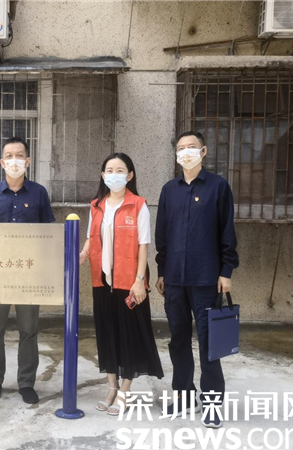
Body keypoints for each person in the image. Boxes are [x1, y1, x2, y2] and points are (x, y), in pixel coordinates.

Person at [155, 130, 239, 429]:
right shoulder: (169, 189)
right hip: (174, 280)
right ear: (176, 154)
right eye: (181, 148)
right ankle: (184, 396)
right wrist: (161, 271)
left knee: (208, 342)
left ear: (203, 152)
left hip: (206, 279)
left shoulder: (218, 186)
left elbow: (227, 231)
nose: (186, 152)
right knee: (178, 340)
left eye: (192, 147)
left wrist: (226, 271)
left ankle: (212, 403)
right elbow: (162, 234)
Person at [79, 153, 164, 415]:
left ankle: (125, 391)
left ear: (129, 175)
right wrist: (82, 254)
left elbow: (143, 246)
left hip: (129, 283)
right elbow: (91, 238)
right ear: (102, 175)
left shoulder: (138, 205)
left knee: (129, 337)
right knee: (107, 335)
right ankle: (111, 387)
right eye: (109, 170)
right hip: (102, 282)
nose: (113, 174)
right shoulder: (96, 205)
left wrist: (140, 281)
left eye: (120, 170)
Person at [0, 137, 55, 405]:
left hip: (29, 273)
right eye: (9, 156)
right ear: (1, 162)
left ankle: (26, 383)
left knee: (29, 330)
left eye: (19, 155)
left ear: (28, 161)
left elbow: (49, 234)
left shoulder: (39, 193)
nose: (14, 160)